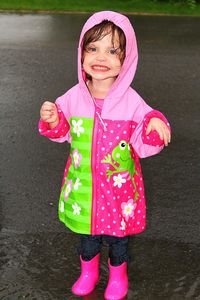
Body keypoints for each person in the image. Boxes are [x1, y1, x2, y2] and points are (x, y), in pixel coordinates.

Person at [38, 11, 171, 300]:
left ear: (127, 58)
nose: (101, 57)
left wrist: (154, 122)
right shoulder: (73, 97)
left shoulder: (131, 101)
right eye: (93, 48)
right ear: (81, 54)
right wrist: (51, 118)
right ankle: (89, 272)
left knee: (117, 240)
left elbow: (145, 130)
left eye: (113, 51)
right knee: (88, 239)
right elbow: (62, 130)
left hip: (118, 194)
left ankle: (117, 276)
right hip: (84, 189)